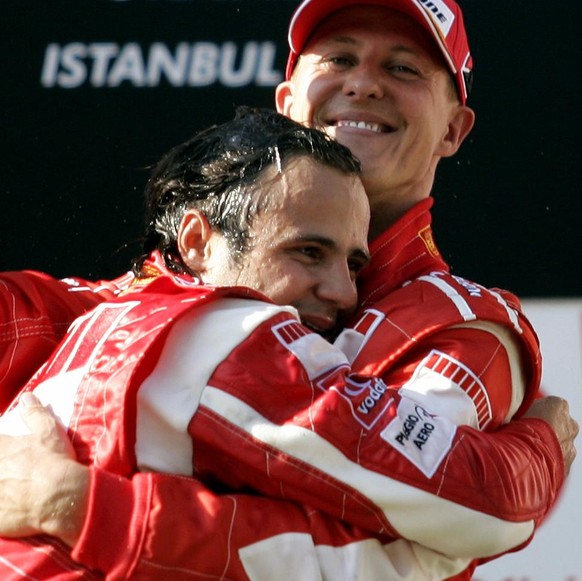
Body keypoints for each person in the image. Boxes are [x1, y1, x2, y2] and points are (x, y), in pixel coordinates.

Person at [0, 0, 577, 579]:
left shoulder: (463, 326)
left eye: (402, 68)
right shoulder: (159, 296)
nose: (363, 84)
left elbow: (412, 554)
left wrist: (76, 504)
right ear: (286, 104)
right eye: (340, 57)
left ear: (453, 128)